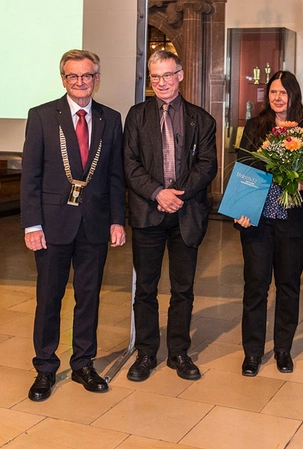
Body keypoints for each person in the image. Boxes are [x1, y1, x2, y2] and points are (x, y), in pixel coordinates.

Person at [20, 49, 126, 401]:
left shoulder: (111, 119)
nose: (80, 82)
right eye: (72, 76)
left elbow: (114, 176)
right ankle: (45, 367)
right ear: (63, 79)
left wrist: (117, 219)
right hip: (51, 225)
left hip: (95, 225)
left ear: (97, 78)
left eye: (87, 75)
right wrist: (32, 224)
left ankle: (83, 363)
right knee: (49, 299)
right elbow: (31, 176)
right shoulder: (42, 116)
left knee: (89, 297)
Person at [123, 50, 217, 382]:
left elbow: (207, 166)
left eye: (167, 75)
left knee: (183, 289)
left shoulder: (201, 119)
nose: (161, 82)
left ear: (180, 75)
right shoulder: (136, 116)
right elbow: (129, 164)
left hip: (186, 215)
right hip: (147, 213)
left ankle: (178, 352)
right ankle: (146, 353)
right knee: (145, 289)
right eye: (155, 77)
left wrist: (177, 195)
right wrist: (157, 193)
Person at [234, 71, 303, 377]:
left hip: (293, 223)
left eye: (283, 93)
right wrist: (241, 208)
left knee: (289, 286)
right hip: (257, 220)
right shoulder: (255, 126)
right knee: (255, 286)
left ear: (294, 95)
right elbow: (243, 167)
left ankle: (283, 349)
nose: (277, 98)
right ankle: (252, 353)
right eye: (273, 92)